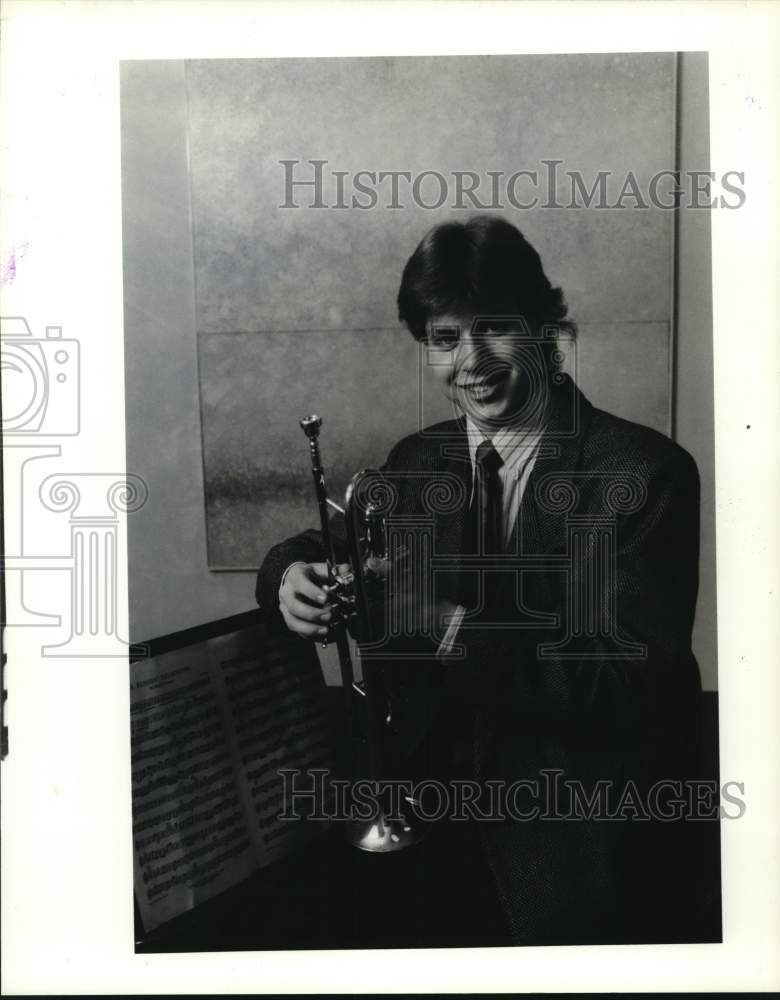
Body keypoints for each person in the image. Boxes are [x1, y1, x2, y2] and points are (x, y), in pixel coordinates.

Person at [256, 215, 706, 946]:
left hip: (571, 860)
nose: (472, 361)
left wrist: (442, 621)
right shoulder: (417, 460)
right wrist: (288, 578)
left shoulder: (642, 473)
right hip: (428, 843)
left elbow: (629, 679)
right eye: (443, 339)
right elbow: (325, 542)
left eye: (494, 329)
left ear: (543, 329)